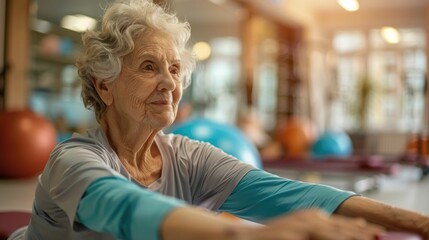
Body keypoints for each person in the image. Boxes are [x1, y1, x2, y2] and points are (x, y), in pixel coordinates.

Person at [9, 0, 429, 239]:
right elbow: (127, 209)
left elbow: (289, 196)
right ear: (105, 87)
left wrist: (419, 223)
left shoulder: (188, 157)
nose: (169, 83)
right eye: (149, 66)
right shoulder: (72, 161)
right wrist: (249, 235)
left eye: (175, 69)